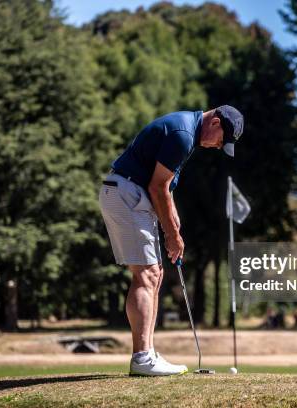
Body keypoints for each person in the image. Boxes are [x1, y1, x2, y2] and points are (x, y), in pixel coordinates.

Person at [99, 106, 244, 376]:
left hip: (132, 195)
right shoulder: (182, 134)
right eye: (220, 140)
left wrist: (172, 217)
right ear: (215, 122)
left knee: (155, 274)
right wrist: (173, 235)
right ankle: (142, 358)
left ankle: (147, 353)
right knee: (146, 275)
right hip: (128, 195)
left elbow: (163, 185)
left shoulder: (185, 130)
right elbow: (157, 187)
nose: (216, 146)